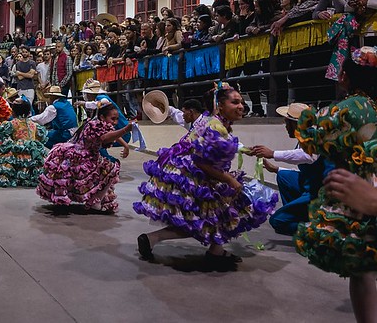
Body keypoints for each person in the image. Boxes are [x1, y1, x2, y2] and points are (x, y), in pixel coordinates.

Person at [133, 83, 278, 270]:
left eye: (241, 101)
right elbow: (202, 162)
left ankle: (212, 250)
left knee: (216, 214)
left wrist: (246, 151)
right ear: (220, 105)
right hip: (191, 175)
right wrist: (230, 180)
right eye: (235, 102)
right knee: (203, 218)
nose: (241, 106)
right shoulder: (216, 126)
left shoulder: (213, 121)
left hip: (187, 171)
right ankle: (157, 239)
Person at [291, 47, 377, 322]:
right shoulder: (373, 105)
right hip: (371, 180)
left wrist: (301, 120)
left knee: (361, 267)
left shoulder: (348, 107)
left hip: (356, 188)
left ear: (345, 77)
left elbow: (316, 143)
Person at [245, 102, 329, 236]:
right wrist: (276, 169)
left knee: (277, 221)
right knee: (283, 175)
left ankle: (318, 230)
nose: (285, 127)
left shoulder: (313, 136)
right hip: (310, 182)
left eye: (286, 123)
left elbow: (308, 156)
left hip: (319, 191)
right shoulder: (304, 137)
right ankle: (300, 214)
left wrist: (273, 154)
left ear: (294, 124)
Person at [37, 99, 134, 212]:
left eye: (117, 119)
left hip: (89, 155)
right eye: (113, 119)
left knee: (104, 172)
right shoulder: (94, 125)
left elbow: (111, 133)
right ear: (102, 117)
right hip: (79, 156)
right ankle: (95, 200)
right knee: (111, 169)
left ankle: (95, 199)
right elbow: (104, 137)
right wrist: (126, 129)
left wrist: (126, 145)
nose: (115, 122)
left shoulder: (100, 123)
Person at [0, 98, 48, 187]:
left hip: (17, 152)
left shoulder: (12, 124)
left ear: (13, 111)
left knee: (5, 161)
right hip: (33, 153)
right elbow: (41, 138)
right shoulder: (34, 124)